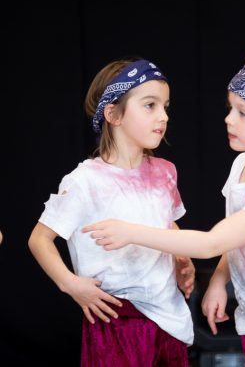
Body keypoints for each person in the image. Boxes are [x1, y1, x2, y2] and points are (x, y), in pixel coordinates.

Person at [83, 49, 245, 366]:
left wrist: (131, 233)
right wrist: (220, 280)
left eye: (243, 113)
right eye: (230, 108)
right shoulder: (242, 165)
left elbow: (212, 243)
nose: (229, 119)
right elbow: (237, 239)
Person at [28, 58, 195, 367]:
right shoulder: (84, 180)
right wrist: (70, 284)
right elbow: (39, 239)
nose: (163, 116)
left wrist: (182, 257)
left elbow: (167, 222)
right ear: (113, 114)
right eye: (150, 105)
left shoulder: (165, 172)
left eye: (165, 106)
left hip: (169, 319)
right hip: (116, 321)